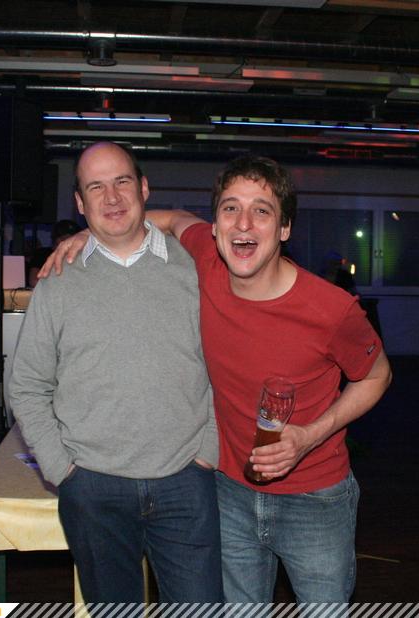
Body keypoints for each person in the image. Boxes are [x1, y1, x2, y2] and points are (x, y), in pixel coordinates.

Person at [41, 155, 391, 603]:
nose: (243, 223)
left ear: (285, 228)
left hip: (314, 497)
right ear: (215, 225)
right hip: (228, 493)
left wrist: (309, 436)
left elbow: (377, 375)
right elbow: (170, 219)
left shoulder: (332, 309)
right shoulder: (205, 260)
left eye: (262, 210)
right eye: (230, 208)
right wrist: (95, 232)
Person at [9, 142, 222, 603]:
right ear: (80, 203)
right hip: (93, 487)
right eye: (95, 187)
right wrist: (63, 470)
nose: (111, 197)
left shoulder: (194, 267)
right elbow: (26, 385)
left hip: (186, 481)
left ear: (144, 188)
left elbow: (225, 364)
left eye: (122, 181)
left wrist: (208, 450)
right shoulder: (58, 282)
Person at [27, 219, 82, 287]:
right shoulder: (42, 254)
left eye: (72, 238)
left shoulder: (80, 256)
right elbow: (34, 281)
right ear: (56, 240)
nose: (69, 242)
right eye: (64, 238)